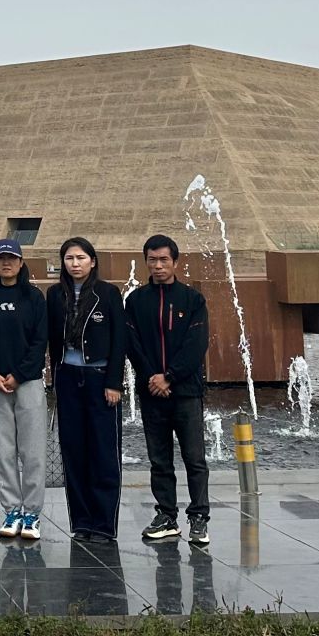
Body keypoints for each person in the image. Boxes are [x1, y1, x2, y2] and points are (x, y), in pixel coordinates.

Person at [125, 233, 210, 546]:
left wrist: (170, 376)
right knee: (159, 460)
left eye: (164, 259)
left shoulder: (192, 300)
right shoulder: (136, 301)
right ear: (146, 262)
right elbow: (132, 343)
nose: (158, 266)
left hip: (185, 392)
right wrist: (152, 377)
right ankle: (166, 515)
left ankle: (199, 517)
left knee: (194, 458)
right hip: (152, 393)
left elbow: (196, 345)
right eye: (152, 260)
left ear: (175, 261)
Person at [47, 236, 127, 544]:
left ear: (92, 261)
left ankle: (104, 524)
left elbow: (119, 340)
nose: (75, 264)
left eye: (81, 258)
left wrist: (114, 382)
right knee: (74, 451)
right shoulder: (55, 295)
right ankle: (81, 522)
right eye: (69, 258)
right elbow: (51, 339)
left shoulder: (107, 293)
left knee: (103, 453)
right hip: (68, 378)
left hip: (99, 379)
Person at [0, 238, 48, 541]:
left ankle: (32, 513)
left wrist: (18, 375)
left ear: (20, 262)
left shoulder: (33, 297)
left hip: (28, 383)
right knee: (3, 451)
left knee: (33, 452)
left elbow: (40, 342)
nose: (6, 263)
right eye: (1, 258)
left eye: (12, 258)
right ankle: (12, 510)